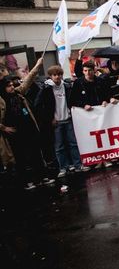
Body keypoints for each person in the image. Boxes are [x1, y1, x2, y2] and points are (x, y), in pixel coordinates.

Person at [1, 58, 49, 189]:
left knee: (36, 154)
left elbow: (28, 79)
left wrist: (38, 65)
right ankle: (26, 181)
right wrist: (4, 128)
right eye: (9, 86)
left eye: (12, 85)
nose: (12, 87)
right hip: (16, 133)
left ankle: (41, 178)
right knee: (21, 158)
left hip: (29, 129)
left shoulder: (18, 93)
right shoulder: (2, 101)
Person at [35, 65, 88, 177]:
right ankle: (63, 167)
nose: (57, 77)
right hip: (56, 122)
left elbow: (74, 99)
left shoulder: (67, 86)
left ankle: (77, 165)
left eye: (59, 74)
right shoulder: (46, 89)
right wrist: (50, 118)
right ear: (50, 76)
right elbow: (38, 105)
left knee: (73, 144)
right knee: (59, 146)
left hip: (68, 119)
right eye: (55, 75)